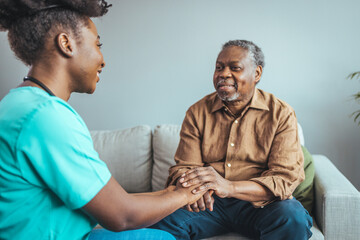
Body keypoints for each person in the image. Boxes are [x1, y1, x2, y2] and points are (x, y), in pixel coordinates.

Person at [0, 1, 208, 239]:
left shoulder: (20, 103)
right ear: (66, 44)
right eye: (97, 44)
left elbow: (115, 201)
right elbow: (122, 215)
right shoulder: (45, 117)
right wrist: (186, 194)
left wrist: (175, 191)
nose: (103, 59)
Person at [150, 40, 313, 240]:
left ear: (257, 74)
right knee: (157, 221)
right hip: (210, 203)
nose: (223, 74)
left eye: (234, 68)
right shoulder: (197, 112)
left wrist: (229, 187)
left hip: (260, 205)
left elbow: (284, 179)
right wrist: (195, 189)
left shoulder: (281, 113)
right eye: (219, 67)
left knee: (293, 218)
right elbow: (184, 167)